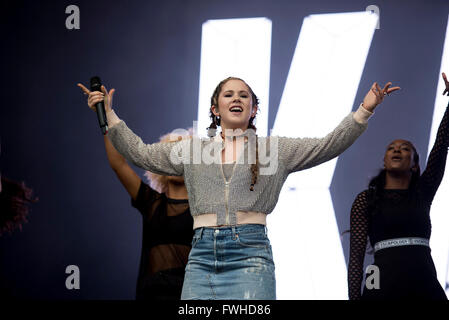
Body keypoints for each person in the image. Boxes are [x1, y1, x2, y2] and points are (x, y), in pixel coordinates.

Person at [82, 77, 398, 299]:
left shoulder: (273, 150)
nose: (236, 98)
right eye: (229, 94)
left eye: (244, 95)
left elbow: (328, 145)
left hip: (251, 255)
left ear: (254, 109)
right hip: (202, 256)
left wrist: (365, 109)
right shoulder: (194, 150)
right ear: (215, 110)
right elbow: (139, 153)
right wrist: (108, 113)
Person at [77, 83, 194, 300]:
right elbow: (118, 163)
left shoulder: (205, 208)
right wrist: (104, 116)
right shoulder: (151, 202)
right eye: (168, 155)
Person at [347, 72, 449, 300]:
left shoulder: (423, 192)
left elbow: (441, 146)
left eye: (404, 148)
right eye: (391, 148)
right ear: (384, 160)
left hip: (423, 280)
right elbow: (355, 262)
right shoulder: (366, 200)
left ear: (415, 165)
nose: (396, 150)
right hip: (380, 281)